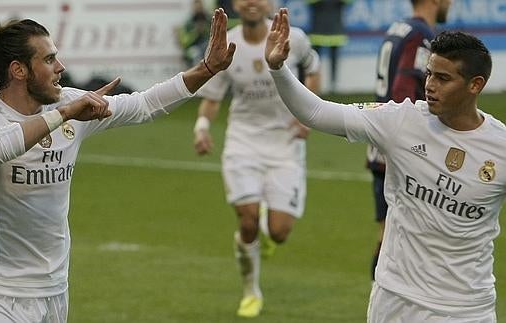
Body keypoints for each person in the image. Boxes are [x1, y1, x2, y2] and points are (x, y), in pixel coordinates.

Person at [0, 10, 235, 323]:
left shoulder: (67, 103)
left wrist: (206, 69)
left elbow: (143, 105)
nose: (61, 68)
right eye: (48, 60)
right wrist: (65, 114)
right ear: (19, 70)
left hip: (52, 289)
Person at [267, 8, 500, 322]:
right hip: (395, 299)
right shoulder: (401, 121)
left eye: (443, 78)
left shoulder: (499, 147)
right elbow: (316, 113)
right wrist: (279, 68)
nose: (429, 85)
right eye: (429, 73)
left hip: (466, 309)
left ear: (476, 85)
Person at [193, 0, 320, 318]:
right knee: (247, 220)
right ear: (235, 3)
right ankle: (251, 291)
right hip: (243, 142)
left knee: (279, 232)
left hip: (285, 144)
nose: (252, 2)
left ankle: (267, 226)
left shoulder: (294, 38)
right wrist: (202, 126)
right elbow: (212, 97)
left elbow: (314, 68)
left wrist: (309, 116)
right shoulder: (226, 44)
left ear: (272, 3)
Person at [370, 0, 453, 280]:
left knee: (388, 240)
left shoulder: (398, 27)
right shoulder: (420, 36)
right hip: (403, 151)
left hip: (380, 147)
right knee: (410, 247)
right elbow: (403, 92)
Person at [306, 0, 352, 92]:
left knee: (334, 60)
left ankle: (334, 84)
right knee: (315, 62)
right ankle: (315, 84)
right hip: (318, 32)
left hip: (335, 31)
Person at [178, 0, 211, 67]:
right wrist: (196, 32)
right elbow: (184, 42)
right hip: (193, 49)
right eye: (196, 7)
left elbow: (214, 35)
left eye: (200, 6)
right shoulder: (188, 23)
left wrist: (205, 30)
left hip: (208, 48)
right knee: (195, 53)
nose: (198, 8)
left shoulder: (209, 20)